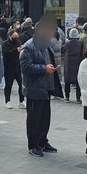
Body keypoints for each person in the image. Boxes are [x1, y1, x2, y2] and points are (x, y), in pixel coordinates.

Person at [20, 19, 62, 157]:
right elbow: (26, 67)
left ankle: (43, 141)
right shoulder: (28, 47)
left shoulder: (46, 44)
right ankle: (33, 144)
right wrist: (44, 68)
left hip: (46, 88)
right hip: (34, 88)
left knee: (44, 118)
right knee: (34, 119)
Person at [2, 29, 25, 109]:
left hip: (18, 67)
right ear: (10, 36)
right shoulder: (5, 44)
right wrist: (15, 51)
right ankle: (7, 101)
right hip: (9, 67)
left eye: (17, 36)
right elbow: (6, 54)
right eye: (14, 36)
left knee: (21, 85)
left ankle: (21, 101)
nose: (16, 38)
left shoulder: (19, 42)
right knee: (8, 85)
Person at [63, 28, 84, 103]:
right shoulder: (80, 43)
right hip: (77, 63)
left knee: (67, 81)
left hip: (68, 64)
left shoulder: (67, 43)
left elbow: (63, 49)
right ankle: (78, 98)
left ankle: (67, 97)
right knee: (78, 81)